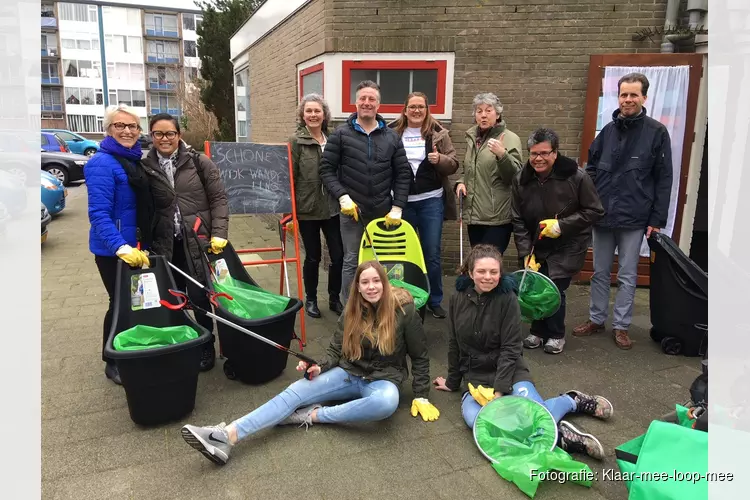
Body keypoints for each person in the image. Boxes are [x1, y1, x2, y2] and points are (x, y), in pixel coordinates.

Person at [180, 260, 440, 465]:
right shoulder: (351, 310)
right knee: (295, 390)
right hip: (349, 372)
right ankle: (227, 436)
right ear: (357, 287)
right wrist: (320, 366)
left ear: (384, 283)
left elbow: (419, 356)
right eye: (365, 282)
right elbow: (336, 350)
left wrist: (421, 395)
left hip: (384, 380)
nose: (371, 287)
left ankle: (314, 416)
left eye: (376, 281)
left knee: (386, 403)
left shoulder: (404, 311)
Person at [433, 244, 613, 459]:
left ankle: (571, 401)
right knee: (479, 423)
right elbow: (454, 343)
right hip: (477, 377)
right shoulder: (457, 299)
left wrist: (499, 392)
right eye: (481, 271)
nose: (487, 277)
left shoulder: (508, 299)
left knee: (531, 415)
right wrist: (453, 382)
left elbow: (511, 348)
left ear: (501, 273)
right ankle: (562, 435)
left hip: (511, 372)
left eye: (494, 272)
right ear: (470, 273)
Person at [574, 72, 673, 350]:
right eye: (623, 94)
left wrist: (657, 219)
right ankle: (596, 319)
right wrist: (590, 201)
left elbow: (664, 179)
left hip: (634, 216)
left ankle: (621, 326)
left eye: (633, 94)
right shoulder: (607, 131)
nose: (628, 99)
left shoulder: (656, 133)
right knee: (600, 272)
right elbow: (590, 168)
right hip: (603, 215)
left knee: (628, 275)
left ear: (644, 97)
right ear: (618, 97)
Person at [140, 113, 229, 371]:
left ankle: (205, 345)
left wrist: (219, 232)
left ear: (179, 135)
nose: (164, 138)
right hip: (165, 244)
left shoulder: (200, 163)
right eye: (158, 134)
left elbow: (219, 199)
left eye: (170, 133)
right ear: (152, 136)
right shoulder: (145, 166)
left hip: (197, 241)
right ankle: (181, 343)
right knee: (172, 298)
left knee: (201, 297)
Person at [85, 104, 163, 384]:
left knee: (138, 302)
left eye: (133, 126)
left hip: (137, 247)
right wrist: (121, 247)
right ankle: (113, 360)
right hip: (114, 250)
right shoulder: (101, 163)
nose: (127, 131)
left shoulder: (133, 159)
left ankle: (135, 348)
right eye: (120, 126)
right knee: (119, 304)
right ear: (108, 130)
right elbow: (98, 214)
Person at [511, 128, 604, 354]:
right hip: (537, 243)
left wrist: (562, 226)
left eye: (544, 153)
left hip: (568, 243)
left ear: (555, 153)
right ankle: (537, 330)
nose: (538, 159)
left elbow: (594, 210)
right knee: (534, 287)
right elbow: (518, 218)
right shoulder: (521, 179)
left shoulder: (577, 177)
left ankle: (555, 334)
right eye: (533, 153)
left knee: (554, 288)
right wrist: (525, 252)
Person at [319, 80, 412, 303]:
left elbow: (403, 174)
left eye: (372, 99)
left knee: (382, 260)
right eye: (363, 98)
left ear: (379, 105)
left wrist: (398, 207)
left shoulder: (392, 137)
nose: (367, 103)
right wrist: (342, 197)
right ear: (356, 102)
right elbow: (326, 169)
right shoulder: (340, 135)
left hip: (383, 211)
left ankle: (379, 305)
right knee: (352, 260)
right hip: (352, 212)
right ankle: (349, 308)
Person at [388, 92, 459, 319]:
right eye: (412, 107)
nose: (416, 111)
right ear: (405, 109)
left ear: (427, 109)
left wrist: (441, 161)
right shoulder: (392, 132)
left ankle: (435, 299)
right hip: (402, 203)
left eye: (421, 107)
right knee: (405, 254)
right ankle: (408, 299)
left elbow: (454, 163)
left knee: (431, 253)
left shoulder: (439, 133)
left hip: (431, 201)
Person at [289, 94, 345, 318]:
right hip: (307, 209)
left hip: (332, 208)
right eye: (309, 111)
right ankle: (310, 299)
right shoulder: (296, 142)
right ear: (303, 115)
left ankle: (334, 297)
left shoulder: (333, 140)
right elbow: (290, 177)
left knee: (338, 255)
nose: (313, 115)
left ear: (324, 115)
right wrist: (290, 210)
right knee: (313, 256)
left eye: (317, 111)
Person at [454, 93, 523, 253]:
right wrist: (461, 182)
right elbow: (469, 170)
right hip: (475, 217)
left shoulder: (510, 138)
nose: (483, 115)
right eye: (479, 111)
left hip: (496, 219)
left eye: (488, 111)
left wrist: (502, 155)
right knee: (478, 263)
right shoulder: (473, 138)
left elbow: (514, 176)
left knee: (491, 263)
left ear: (497, 114)